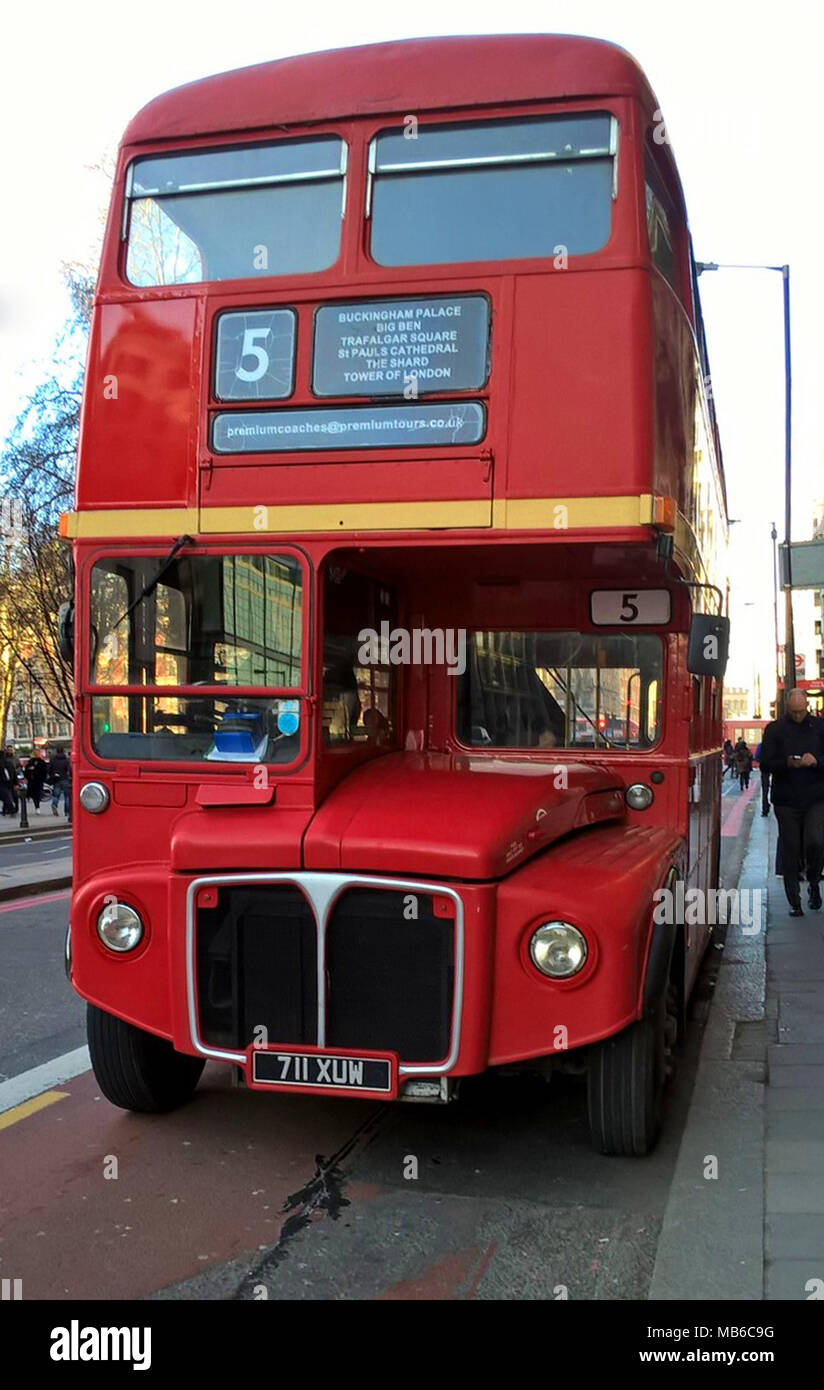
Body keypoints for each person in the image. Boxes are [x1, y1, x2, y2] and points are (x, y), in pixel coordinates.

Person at [760, 689, 824, 916]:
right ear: (787, 707)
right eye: (794, 712)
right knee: (790, 848)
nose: (798, 715)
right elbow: (766, 762)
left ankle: (814, 881)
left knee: (815, 842)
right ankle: (794, 901)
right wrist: (787, 763)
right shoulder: (775, 730)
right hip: (786, 799)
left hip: (816, 796)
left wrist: (816, 761)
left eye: (801, 711)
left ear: (806, 706)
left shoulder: (819, 727)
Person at [50, 746, 71, 817]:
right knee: (67, 796)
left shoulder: (53, 760)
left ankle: (54, 804)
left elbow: (50, 770)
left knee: (56, 795)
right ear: (63, 751)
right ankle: (67, 812)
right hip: (65, 779)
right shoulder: (66, 760)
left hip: (56, 779)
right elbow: (69, 770)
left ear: (56, 751)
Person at [755, 738, 770, 816]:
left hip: (765, 768)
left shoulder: (761, 745)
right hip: (778, 768)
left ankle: (765, 809)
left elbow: (757, 757)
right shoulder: (778, 744)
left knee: (765, 790)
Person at [0, 749, 16, 817]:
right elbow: (13, 773)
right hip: (8, 781)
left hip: (3, 782)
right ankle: (6, 810)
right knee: (7, 796)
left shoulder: (4, 763)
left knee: (6, 796)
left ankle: (11, 810)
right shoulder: (8, 762)